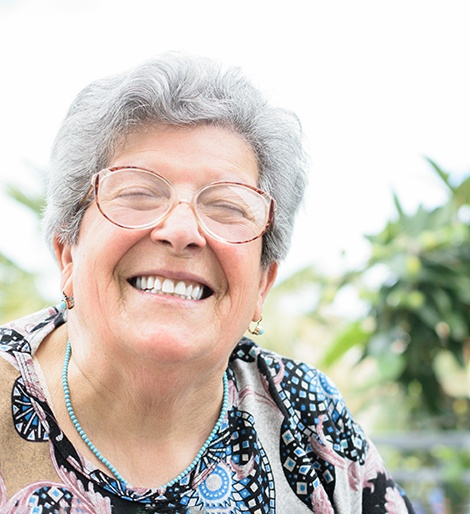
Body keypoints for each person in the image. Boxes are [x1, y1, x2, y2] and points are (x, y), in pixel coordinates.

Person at [0, 53, 415, 514]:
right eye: (138, 193)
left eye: (228, 206)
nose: (181, 230)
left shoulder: (309, 420)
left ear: (263, 282)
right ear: (67, 252)